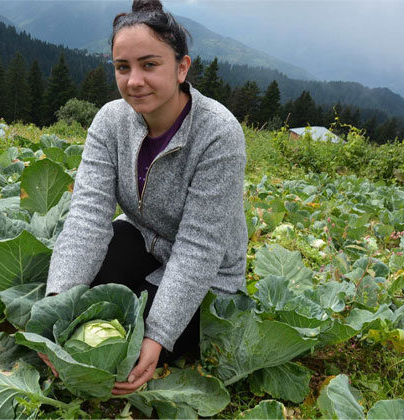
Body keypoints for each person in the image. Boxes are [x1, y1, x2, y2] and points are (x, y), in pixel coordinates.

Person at [40, 0, 248, 395]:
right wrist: (56, 307)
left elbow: (199, 248)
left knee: (133, 348)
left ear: (182, 67)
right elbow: (87, 216)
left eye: (150, 65)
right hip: (140, 238)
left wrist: (158, 335)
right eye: (123, 67)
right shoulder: (110, 121)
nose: (134, 80)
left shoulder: (219, 133)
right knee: (78, 309)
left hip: (208, 274)